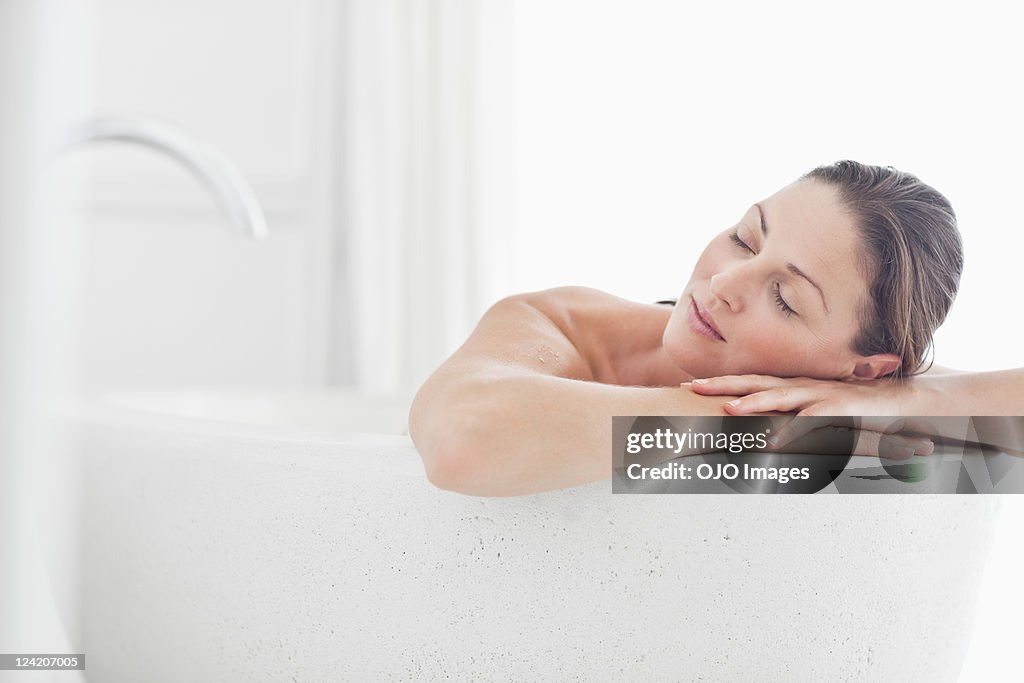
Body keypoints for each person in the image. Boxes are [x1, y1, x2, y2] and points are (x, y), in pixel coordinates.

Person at [409, 160, 1024, 496]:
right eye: (744, 238)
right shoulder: (559, 323)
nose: (725, 283)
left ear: (863, 368)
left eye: (784, 298)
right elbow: (465, 444)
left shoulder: (851, 393)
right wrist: (757, 426)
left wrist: (904, 399)